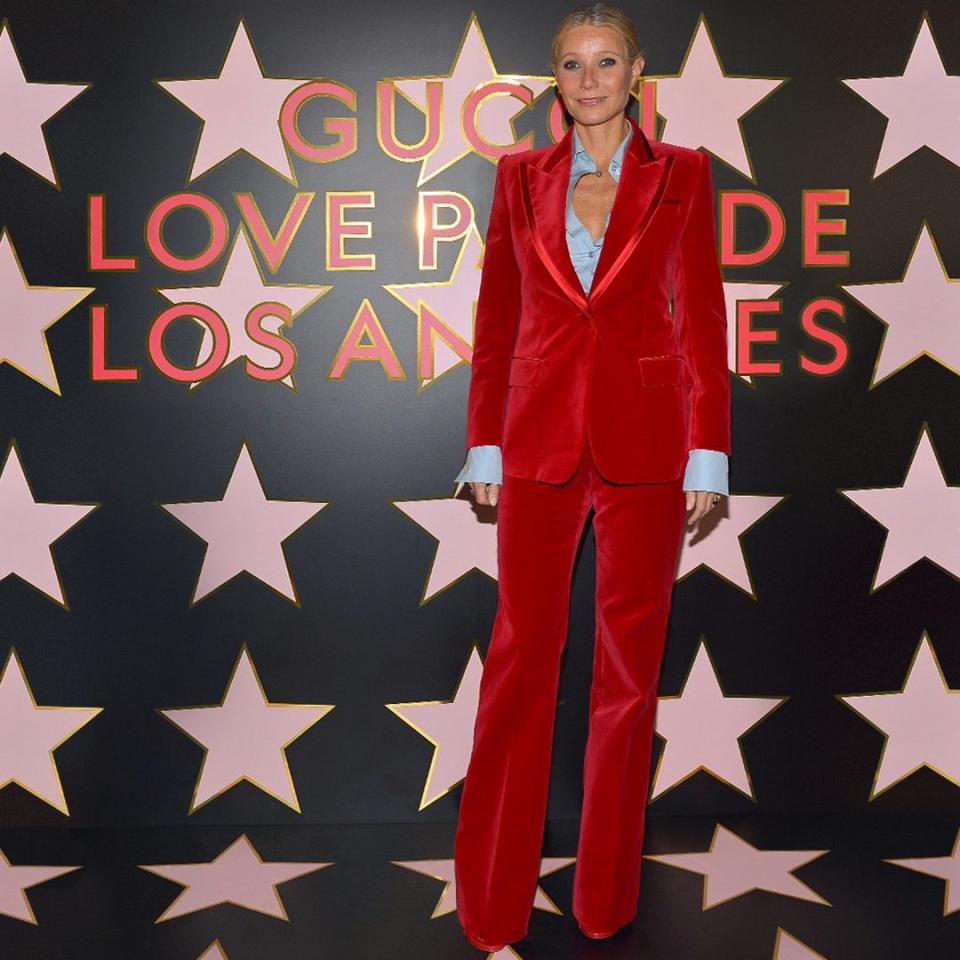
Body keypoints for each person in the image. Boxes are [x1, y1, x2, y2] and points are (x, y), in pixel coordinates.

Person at [452, 2, 731, 952]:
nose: (588, 81)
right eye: (572, 65)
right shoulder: (517, 177)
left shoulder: (685, 176)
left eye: (606, 62)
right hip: (534, 446)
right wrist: (484, 440)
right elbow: (497, 318)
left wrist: (708, 450)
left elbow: (700, 319)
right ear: (555, 80)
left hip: (647, 451)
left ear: (637, 71)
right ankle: (490, 902)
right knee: (520, 666)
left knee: (627, 679)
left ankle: (605, 901)